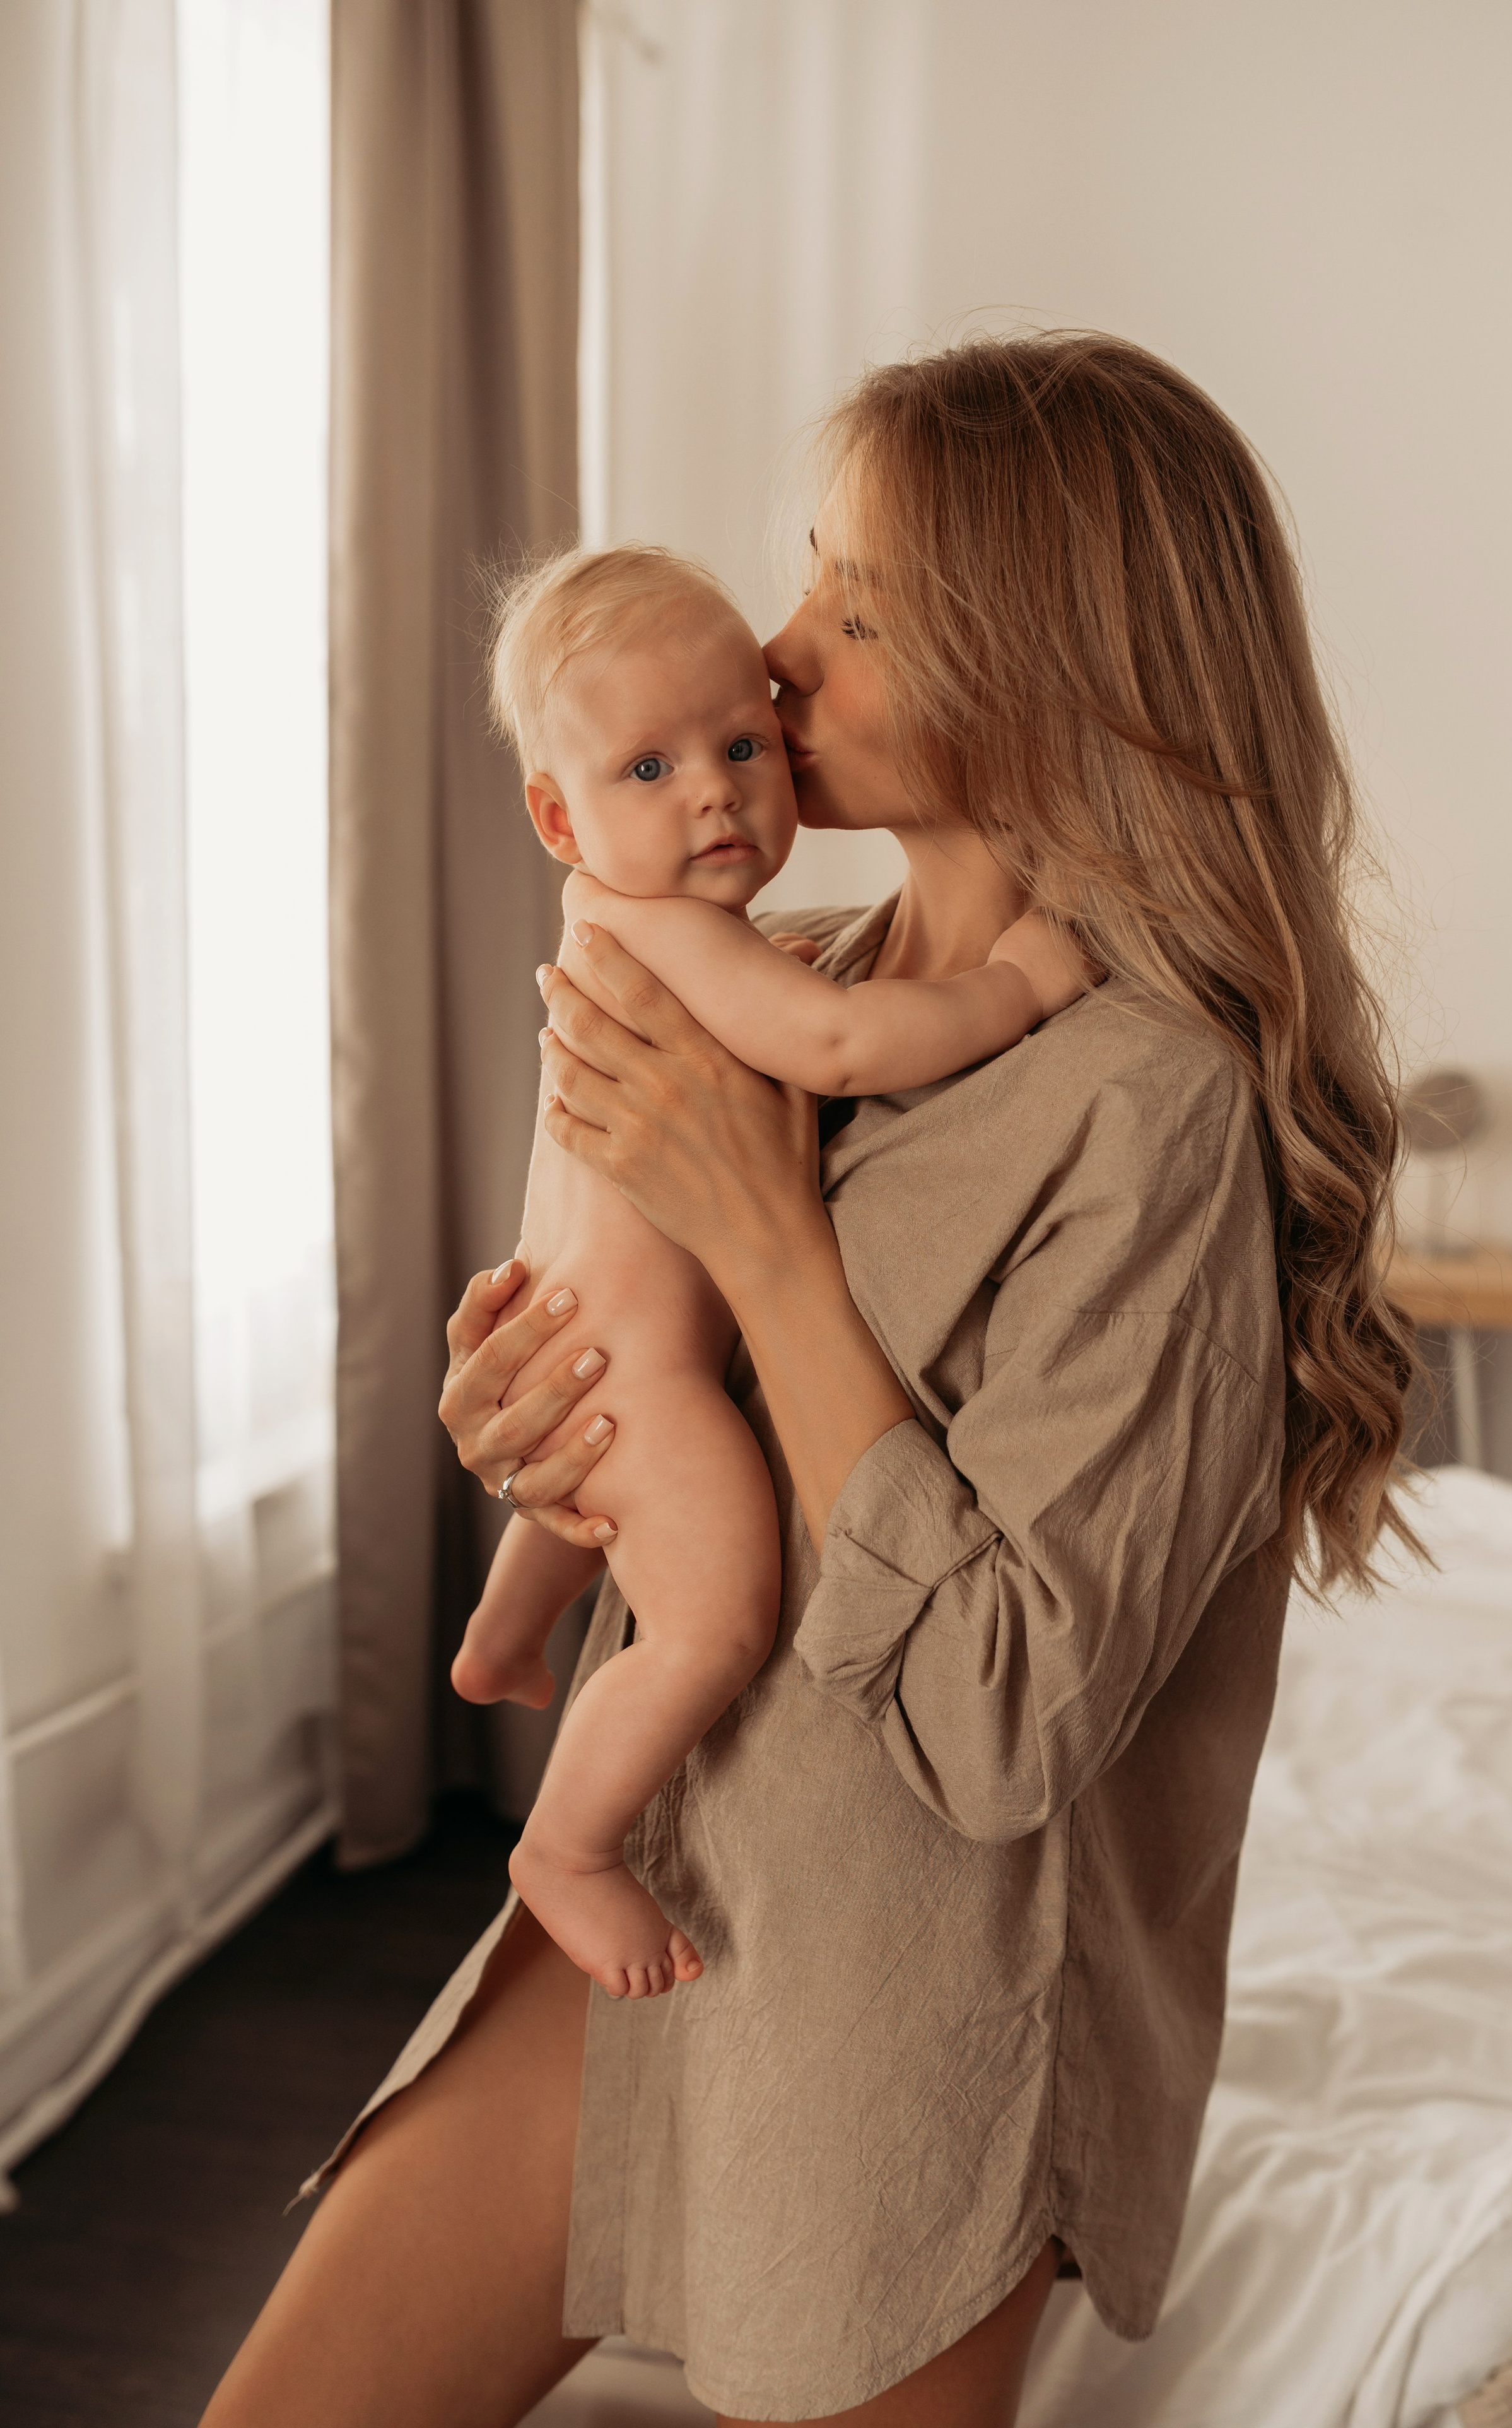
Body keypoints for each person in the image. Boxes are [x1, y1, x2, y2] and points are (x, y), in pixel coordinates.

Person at [202, 333, 1415, 2428]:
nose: (775, 650)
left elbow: (1002, 1713)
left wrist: (771, 1248)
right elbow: (636, 1381)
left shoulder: (1156, 1109)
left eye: (856, 605)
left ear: (1044, 672)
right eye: (808, 575)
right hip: (656, 1895)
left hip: (909, 2008)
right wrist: (536, 1419)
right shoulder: (798, 981)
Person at [457, 542, 1082, 2000]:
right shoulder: (692, 941)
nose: (717, 791)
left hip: (577, 1337)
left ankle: (500, 1635)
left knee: (582, 1471)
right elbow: (840, 1048)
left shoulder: (638, 924)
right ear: (557, 815)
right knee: (714, 1618)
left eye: (738, 746)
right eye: (651, 770)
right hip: (640, 1376)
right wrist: (1019, 988)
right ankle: (564, 1843)